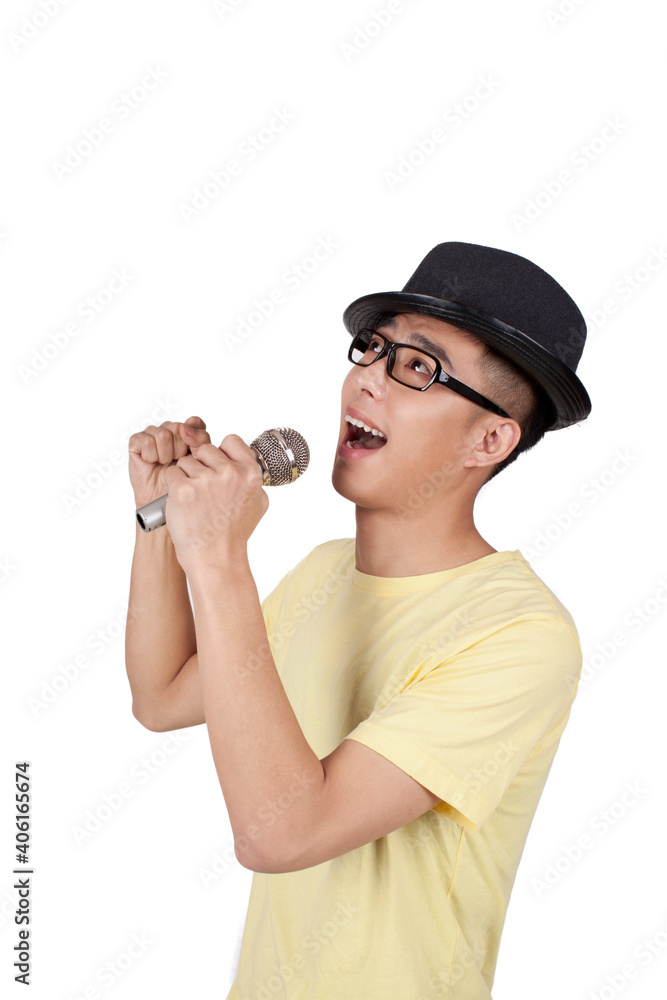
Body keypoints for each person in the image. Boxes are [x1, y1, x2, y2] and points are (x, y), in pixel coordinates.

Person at [125, 241, 591, 999]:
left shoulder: (518, 635)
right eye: (372, 350)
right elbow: (162, 697)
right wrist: (161, 525)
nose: (367, 378)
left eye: (416, 367)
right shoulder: (324, 573)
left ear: (490, 438)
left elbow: (281, 833)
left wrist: (218, 559)